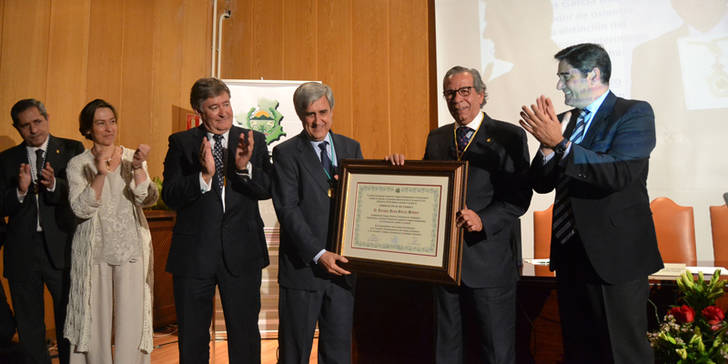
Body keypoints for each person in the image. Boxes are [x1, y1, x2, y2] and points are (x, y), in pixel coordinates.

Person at [519, 43, 664, 363]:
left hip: (616, 258)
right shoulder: (562, 122)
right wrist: (546, 148)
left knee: (621, 352)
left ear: (593, 75)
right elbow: (541, 184)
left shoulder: (633, 113)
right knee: (579, 351)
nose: (559, 85)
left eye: (565, 76)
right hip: (571, 255)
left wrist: (560, 144)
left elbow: (618, 173)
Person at [418, 66, 532, 364]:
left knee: (496, 351)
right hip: (445, 265)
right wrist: (398, 170)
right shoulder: (437, 139)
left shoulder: (508, 135)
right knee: (447, 351)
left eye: (465, 91)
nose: (457, 100)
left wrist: (484, 219)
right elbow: (428, 191)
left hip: (489, 262)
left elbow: (519, 198)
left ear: (481, 94)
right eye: (450, 93)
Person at [162, 77, 273, 363]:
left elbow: (267, 189)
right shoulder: (182, 143)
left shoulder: (252, 140)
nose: (224, 112)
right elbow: (171, 195)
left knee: (245, 334)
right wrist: (204, 177)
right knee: (193, 336)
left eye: (226, 104)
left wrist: (244, 168)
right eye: (214, 107)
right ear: (200, 111)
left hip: (242, 252)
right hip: (194, 255)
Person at [271, 82, 363, 364]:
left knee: (338, 353)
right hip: (303, 270)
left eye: (323, 112)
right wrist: (319, 254)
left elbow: (362, 200)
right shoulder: (285, 153)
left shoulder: (351, 147)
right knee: (294, 353)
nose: (317, 120)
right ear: (300, 115)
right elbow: (287, 210)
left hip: (343, 271)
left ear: (332, 111)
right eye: (310, 114)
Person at [64, 99, 158, 363]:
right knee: (93, 324)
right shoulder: (77, 164)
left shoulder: (131, 158)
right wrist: (101, 174)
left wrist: (139, 168)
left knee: (132, 321)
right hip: (94, 251)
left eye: (112, 121)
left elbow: (146, 199)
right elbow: (81, 209)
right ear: (88, 129)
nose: (108, 128)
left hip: (130, 249)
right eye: (100, 123)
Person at [0, 98, 84, 364]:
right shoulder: (6, 160)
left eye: (37, 121)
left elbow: (84, 195)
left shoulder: (72, 149)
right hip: (22, 251)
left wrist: (54, 186)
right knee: (29, 324)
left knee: (67, 321)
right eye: (25, 126)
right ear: (17, 128)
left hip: (61, 249)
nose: (33, 130)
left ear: (47, 119)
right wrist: (20, 191)